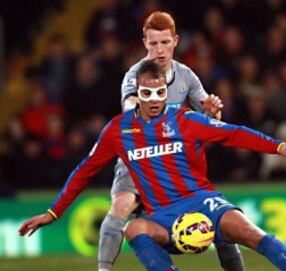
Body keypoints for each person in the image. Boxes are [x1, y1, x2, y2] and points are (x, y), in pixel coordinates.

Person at [19, 60, 286, 271]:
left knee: (252, 233)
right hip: (164, 216)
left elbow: (232, 133)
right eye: (147, 93)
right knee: (134, 228)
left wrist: (277, 146)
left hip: (202, 201)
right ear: (136, 93)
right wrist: (53, 212)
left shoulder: (184, 118)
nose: (155, 100)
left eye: (161, 92)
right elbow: (85, 170)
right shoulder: (118, 130)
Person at [98, 11, 244, 271]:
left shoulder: (186, 75)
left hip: (173, 160)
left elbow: (211, 114)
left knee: (216, 216)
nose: (159, 50)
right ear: (145, 43)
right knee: (121, 206)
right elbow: (130, 109)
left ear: (175, 41)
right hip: (139, 157)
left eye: (165, 42)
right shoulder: (134, 75)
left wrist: (212, 110)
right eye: (153, 43)